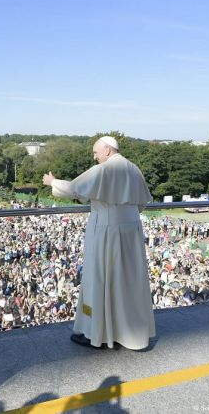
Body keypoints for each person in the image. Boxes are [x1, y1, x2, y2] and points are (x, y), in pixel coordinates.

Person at [42, 135, 155, 350]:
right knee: (127, 282)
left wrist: (52, 182)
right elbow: (141, 203)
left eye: (96, 152)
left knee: (99, 279)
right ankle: (127, 334)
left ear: (108, 150)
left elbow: (73, 189)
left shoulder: (106, 169)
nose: (95, 158)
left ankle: (96, 334)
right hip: (131, 229)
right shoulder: (133, 168)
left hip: (107, 230)